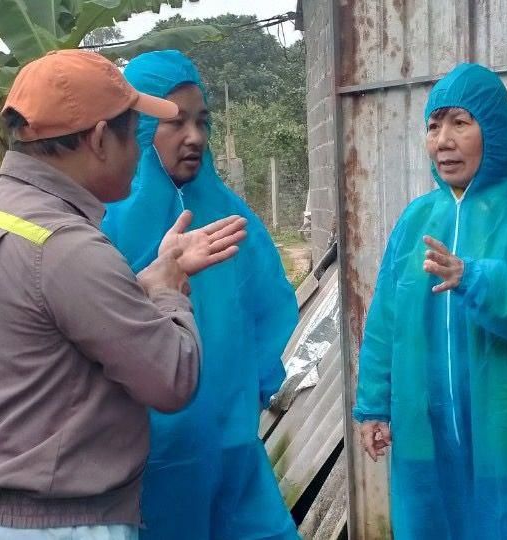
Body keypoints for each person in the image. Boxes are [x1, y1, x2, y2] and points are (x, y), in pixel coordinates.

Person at [0, 49, 247, 539]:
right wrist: (169, 290)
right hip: (63, 523)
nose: (140, 150)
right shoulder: (66, 247)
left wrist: (147, 277)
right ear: (101, 139)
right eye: (135, 135)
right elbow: (172, 378)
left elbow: (47, 325)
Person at [353, 63, 507, 539]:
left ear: (493, 131)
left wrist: (475, 278)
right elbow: (384, 322)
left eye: (461, 122)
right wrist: (374, 406)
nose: (443, 140)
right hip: (426, 433)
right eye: (434, 126)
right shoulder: (417, 220)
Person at [101, 50, 300, 540]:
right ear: (139, 127)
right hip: (145, 459)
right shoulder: (104, 223)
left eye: (202, 121)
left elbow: (269, 311)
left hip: (230, 447)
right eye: (176, 122)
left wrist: (245, 395)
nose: (195, 137)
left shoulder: (232, 219)